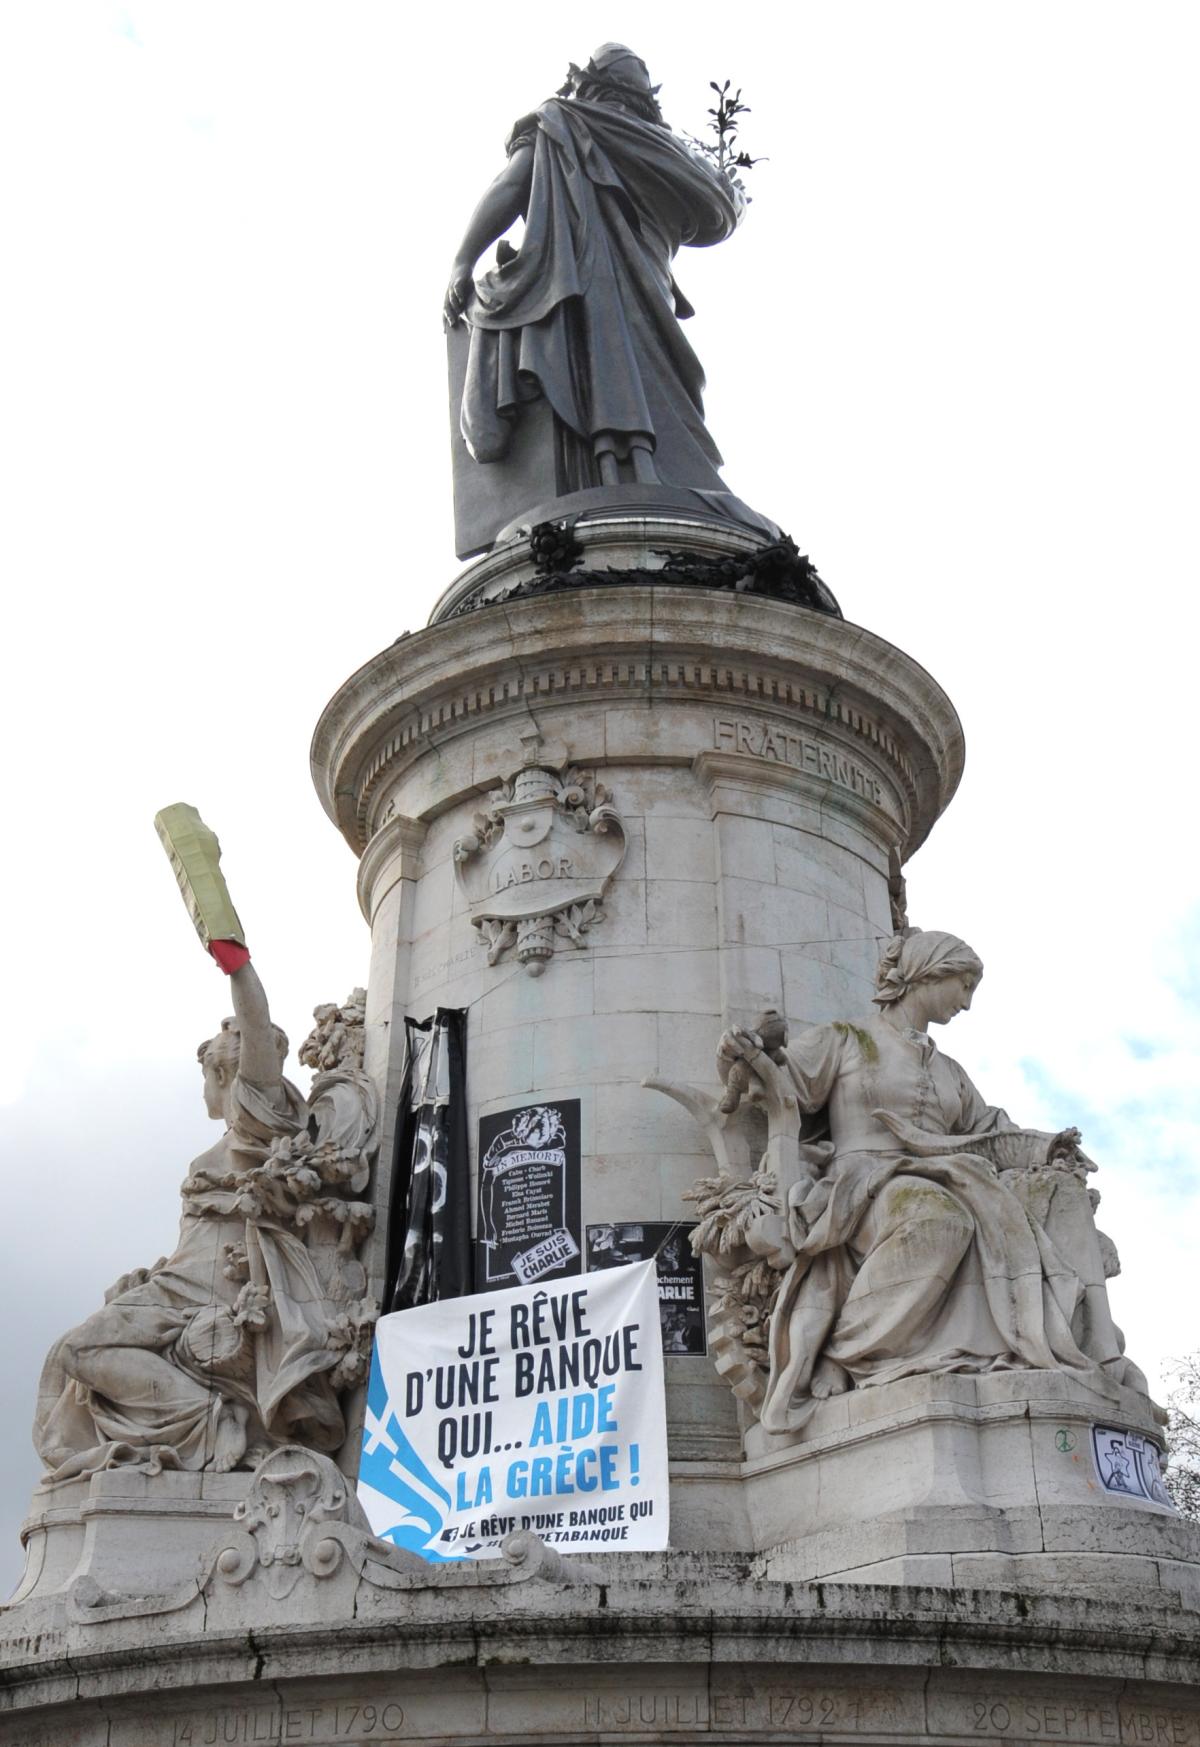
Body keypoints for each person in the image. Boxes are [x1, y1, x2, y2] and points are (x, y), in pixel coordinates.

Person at [719, 930, 1147, 1434]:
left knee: (1060, 1193)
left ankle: (1095, 1350)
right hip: (864, 1184)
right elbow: (779, 1081)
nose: (966, 1004)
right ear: (929, 974)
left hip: (952, 1175)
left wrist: (1047, 1149)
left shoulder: (950, 1072)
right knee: (936, 1217)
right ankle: (845, 1347)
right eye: (963, 987)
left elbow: (988, 1133)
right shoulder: (846, 1038)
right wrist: (745, 1052)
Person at [35, 964, 352, 1481]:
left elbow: (256, 1031)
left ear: (223, 1075)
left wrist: (237, 967)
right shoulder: (218, 1149)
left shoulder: (257, 1126)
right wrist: (148, 1274)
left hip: (212, 1293)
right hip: (179, 1283)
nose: (202, 1088)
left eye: (205, 1074)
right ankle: (203, 1414)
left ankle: (210, 1417)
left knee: (76, 1348)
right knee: (69, 1357)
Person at [443, 44, 743, 497]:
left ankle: (607, 473)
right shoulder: (672, 156)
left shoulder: (564, 122)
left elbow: (509, 186)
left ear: (586, 83)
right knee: (641, 377)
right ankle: (639, 471)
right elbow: (719, 212)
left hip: (587, 283)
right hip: (651, 293)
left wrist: (463, 262)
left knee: (584, 348)